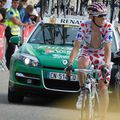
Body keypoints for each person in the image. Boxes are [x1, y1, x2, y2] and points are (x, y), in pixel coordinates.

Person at [65, 2, 112, 120]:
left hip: (102, 56)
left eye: (104, 15)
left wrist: (106, 66)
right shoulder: (84, 26)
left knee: (103, 87)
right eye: (100, 16)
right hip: (88, 52)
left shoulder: (108, 27)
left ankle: (103, 116)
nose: (103, 18)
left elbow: (107, 50)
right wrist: (70, 63)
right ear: (92, 16)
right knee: (82, 63)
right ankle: (82, 90)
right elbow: (76, 47)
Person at [5, 0, 26, 69]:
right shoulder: (10, 10)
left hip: (16, 33)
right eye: (14, 3)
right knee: (11, 49)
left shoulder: (16, 11)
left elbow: (19, 21)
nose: (16, 4)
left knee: (21, 49)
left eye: (17, 3)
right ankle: (8, 65)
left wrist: (20, 23)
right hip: (10, 32)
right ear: (12, 3)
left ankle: (19, 64)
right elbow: (15, 21)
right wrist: (21, 23)